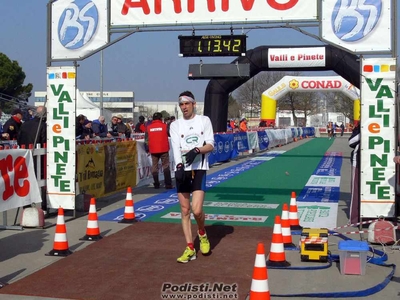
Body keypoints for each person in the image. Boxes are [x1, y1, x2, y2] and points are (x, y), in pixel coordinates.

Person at [170, 91, 214, 263]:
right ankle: (190, 248)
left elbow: (210, 144)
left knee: (196, 210)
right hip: (182, 169)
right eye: (181, 104)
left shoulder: (204, 121)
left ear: (194, 104)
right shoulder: (175, 125)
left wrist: (197, 150)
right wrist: (178, 165)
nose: (184, 107)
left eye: (187, 104)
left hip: (199, 168)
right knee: (185, 210)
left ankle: (202, 232)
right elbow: (174, 147)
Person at [145, 112, 173, 189]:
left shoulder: (148, 127)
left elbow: (146, 140)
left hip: (153, 150)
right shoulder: (165, 126)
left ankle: (156, 184)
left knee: (154, 167)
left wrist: (147, 149)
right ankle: (168, 184)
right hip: (164, 149)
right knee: (166, 166)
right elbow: (170, 134)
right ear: (161, 118)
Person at [348, 123, 360, 224]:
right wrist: (364, 132)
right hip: (358, 163)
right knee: (356, 190)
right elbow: (351, 142)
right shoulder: (360, 127)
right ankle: (355, 218)